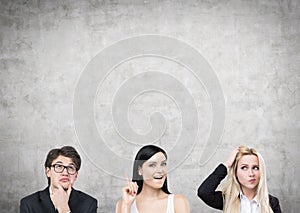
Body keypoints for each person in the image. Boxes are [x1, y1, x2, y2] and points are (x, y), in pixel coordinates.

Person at [197, 145, 282, 213]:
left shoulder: (272, 202)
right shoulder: (228, 200)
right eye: (244, 168)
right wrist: (226, 165)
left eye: (255, 168)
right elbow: (204, 192)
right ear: (236, 173)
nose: (251, 174)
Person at [20, 146, 97, 213]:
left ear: (76, 175)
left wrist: (64, 210)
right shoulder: (29, 203)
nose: (65, 173)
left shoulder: (89, 203)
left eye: (70, 168)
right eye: (59, 166)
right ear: (48, 171)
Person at [116, 144, 190, 213]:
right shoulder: (123, 204)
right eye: (152, 165)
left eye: (163, 164)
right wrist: (126, 206)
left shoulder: (178, 202)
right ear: (139, 170)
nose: (160, 170)